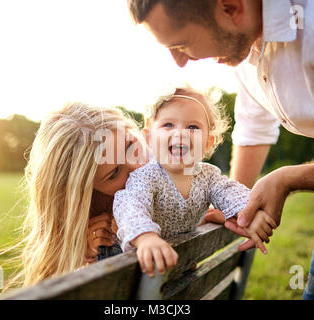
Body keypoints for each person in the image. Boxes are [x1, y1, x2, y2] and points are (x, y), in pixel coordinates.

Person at [127, 0, 314, 299]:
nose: (179, 62)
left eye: (182, 44)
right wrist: (238, 207)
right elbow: (253, 129)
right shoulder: (244, 54)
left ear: (231, 9)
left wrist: (289, 177)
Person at [113, 86, 276, 278]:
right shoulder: (146, 177)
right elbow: (130, 206)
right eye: (168, 125)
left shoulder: (208, 177)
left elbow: (230, 192)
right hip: (141, 273)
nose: (180, 133)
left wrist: (247, 211)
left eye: (192, 127)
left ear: (208, 142)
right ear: (149, 137)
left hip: (179, 274)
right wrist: (145, 237)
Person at [19, 101, 148, 286]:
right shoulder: (92, 224)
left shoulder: (170, 168)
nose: (138, 166)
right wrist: (83, 254)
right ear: (87, 191)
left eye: (129, 146)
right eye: (114, 173)